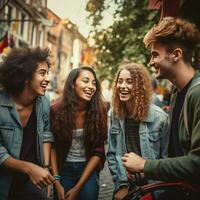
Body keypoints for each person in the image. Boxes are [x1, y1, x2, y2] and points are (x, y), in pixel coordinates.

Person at [122, 17, 200, 194]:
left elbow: (197, 163)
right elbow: (175, 154)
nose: (150, 62)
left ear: (176, 55)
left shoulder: (197, 94)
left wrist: (145, 165)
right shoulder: (177, 92)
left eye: (155, 54)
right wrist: (145, 172)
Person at [107, 62, 168, 200]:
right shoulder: (115, 114)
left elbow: (166, 159)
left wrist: (154, 190)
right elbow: (112, 154)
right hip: (126, 188)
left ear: (140, 87)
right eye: (120, 81)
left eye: (129, 82)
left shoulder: (160, 118)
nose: (122, 86)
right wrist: (122, 185)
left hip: (153, 188)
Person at [0, 47, 55, 200]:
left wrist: (45, 169)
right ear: (25, 77)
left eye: (47, 73)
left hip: (28, 183)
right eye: (42, 73)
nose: (48, 79)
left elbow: (45, 134)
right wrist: (30, 168)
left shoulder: (43, 101)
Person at [50, 66, 107, 200]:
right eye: (85, 81)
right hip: (63, 169)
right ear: (72, 84)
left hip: (87, 169)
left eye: (94, 83)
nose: (91, 86)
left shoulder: (99, 111)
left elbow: (98, 152)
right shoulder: (55, 110)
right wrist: (56, 180)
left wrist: (78, 187)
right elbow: (52, 145)